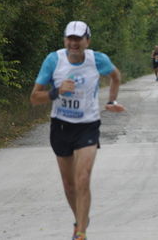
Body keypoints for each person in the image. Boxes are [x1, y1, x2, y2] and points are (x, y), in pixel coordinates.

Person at [30, 21, 125, 240]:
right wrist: (56, 91)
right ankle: (80, 219)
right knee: (69, 184)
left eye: (78, 39)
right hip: (61, 126)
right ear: (65, 40)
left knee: (83, 179)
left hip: (88, 125)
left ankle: (81, 233)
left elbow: (116, 76)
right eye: (69, 38)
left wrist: (111, 100)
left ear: (87, 41)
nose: (74, 43)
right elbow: (34, 98)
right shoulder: (54, 60)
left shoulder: (97, 59)